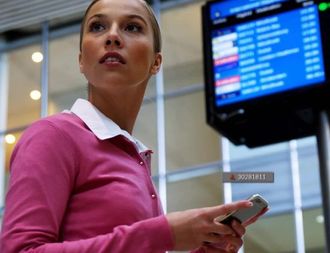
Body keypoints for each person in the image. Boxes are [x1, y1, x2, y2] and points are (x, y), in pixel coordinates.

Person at [0, 0, 266, 252]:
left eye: (132, 27)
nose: (112, 36)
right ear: (81, 60)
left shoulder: (134, 159)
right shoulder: (53, 136)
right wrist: (163, 233)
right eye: (98, 26)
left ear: (156, 62)